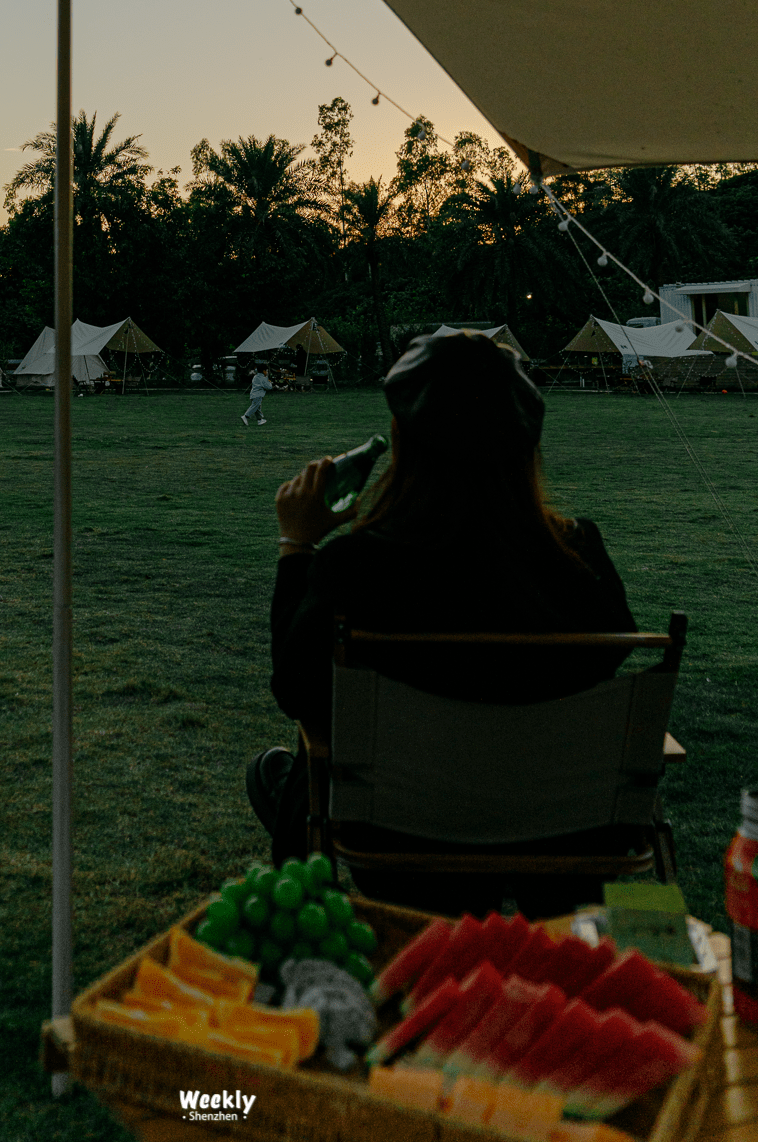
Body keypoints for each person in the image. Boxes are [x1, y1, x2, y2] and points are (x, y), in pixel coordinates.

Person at [245, 330, 639, 918]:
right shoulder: (578, 557)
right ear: (526, 445)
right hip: (559, 832)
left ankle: (294, 808)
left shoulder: (357, 566)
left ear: (403, 444)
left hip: (401, 837)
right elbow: (608, 657)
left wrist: (296, 547)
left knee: (313, 748)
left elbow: (296, 691)